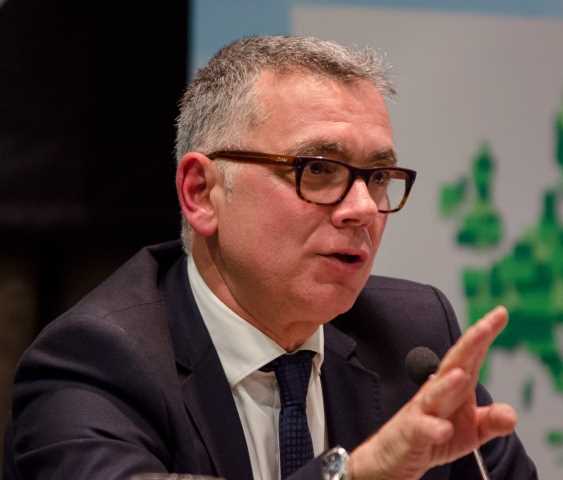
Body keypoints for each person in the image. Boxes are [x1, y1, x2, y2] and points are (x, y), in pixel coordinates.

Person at [4, 35, 537, 480]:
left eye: (377, 177)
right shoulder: (96, 360)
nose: (362, 209)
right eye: (318, 169)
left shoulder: (412, 335)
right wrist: (356, 475)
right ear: (201, 192)